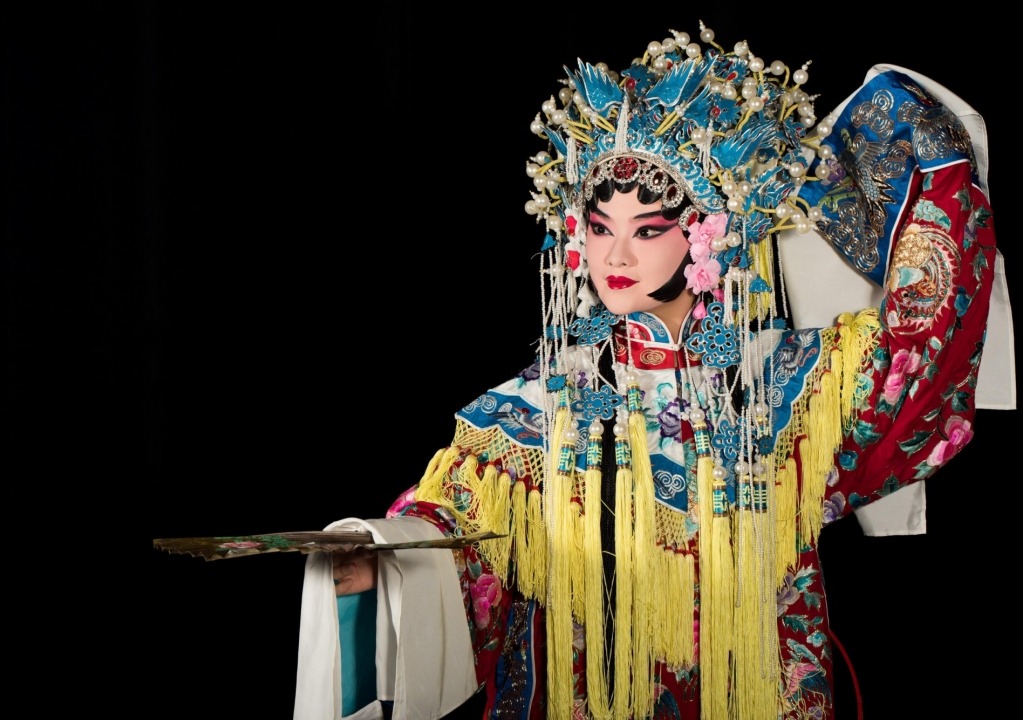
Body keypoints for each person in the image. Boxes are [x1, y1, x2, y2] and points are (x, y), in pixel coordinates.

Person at [294, 22, 1009, 720]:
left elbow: (918, 357)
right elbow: (453, 534)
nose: (615, 257)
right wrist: (383, 565)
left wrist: (933, 167)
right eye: (599, 228)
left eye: (646, 231)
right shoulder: (532, 413)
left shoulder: (788, 387)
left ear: (706, 232)